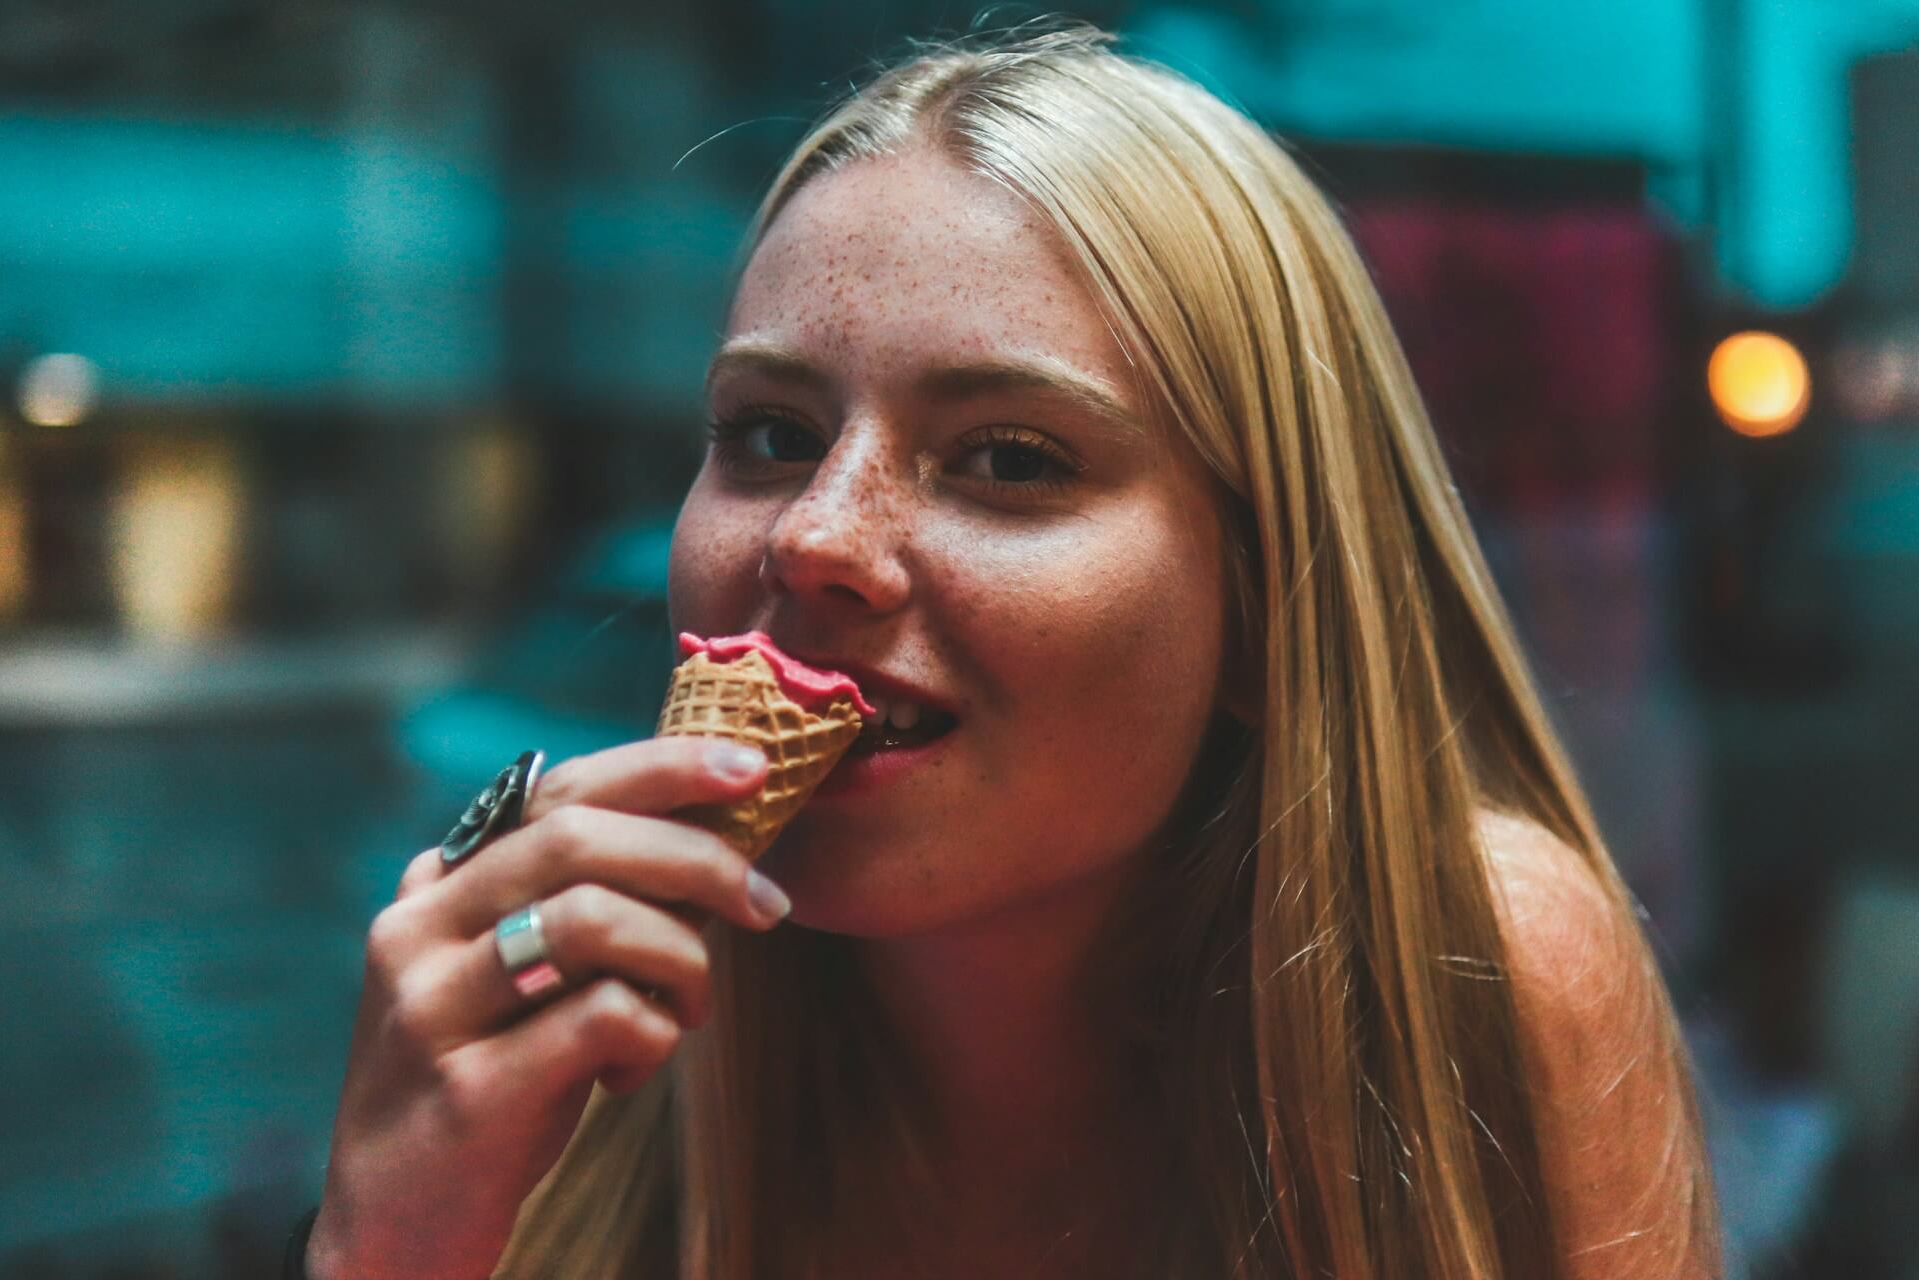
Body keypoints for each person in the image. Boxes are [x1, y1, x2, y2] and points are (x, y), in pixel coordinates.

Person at [300, 26, 1720, 1280]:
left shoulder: (1466, 980)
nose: (813, 536)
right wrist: (388, 1246)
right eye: (772, 436)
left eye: (1007, 459)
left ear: (1261, 606)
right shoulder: (568, 1051)